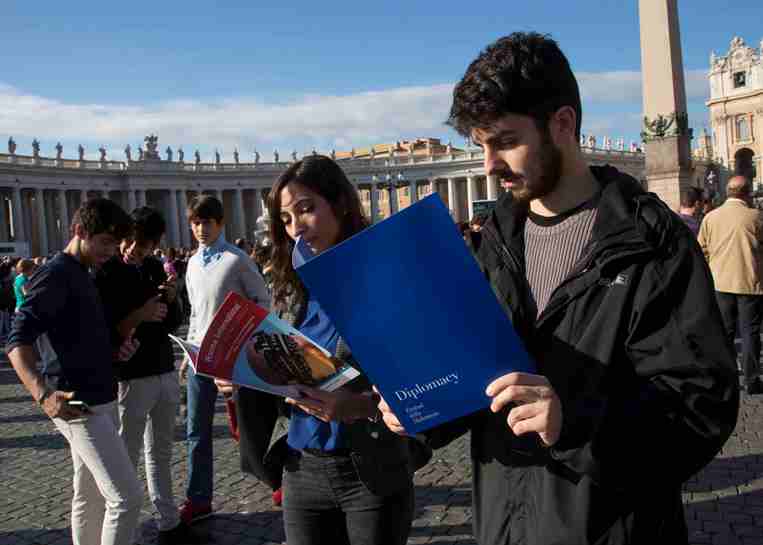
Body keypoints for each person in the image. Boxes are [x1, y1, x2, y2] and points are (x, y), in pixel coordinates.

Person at [377, 33, 739, 545]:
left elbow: (701, 407)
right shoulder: (493, 244)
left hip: (613, 526)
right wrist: (416, 410)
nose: (488, 165)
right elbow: (472, 381)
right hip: (505, 523)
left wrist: (574, 420)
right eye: (480, 146)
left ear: (563, 124)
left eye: (504, 141)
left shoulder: (651, 244)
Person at [218, 155, 429, 545]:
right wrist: (241, 372)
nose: (295, 226)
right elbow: (281, 373)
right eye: (285, 218)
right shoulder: (289, 288)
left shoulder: (388, 281)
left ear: (341, 203)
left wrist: (361, 406)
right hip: (302, 469)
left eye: (306, 208)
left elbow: (429, 385)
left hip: (371, 470)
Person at [6, 198, 143, 545]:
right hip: (78, 402)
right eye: (106, 242)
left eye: (116, 244)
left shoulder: (82, 273)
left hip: (101, 393)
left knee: (90, 495)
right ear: (80, 231)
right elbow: (16, 342)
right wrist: (42, 395)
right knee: (126, 499)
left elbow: (77, 336)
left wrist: (115, 351)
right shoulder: (54, 275)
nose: (112, 251)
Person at [95, 207, 200, 545]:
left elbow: (170, 323)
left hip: (164, 369)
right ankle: (126, 526)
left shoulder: (156, 267)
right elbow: (109, 329)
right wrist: (142, 314)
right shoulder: (107, 273)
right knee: (126, 456)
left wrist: (173, 301)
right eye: (128, 241)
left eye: (140, 244)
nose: (131, 248)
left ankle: (168, 521)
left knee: (161, 452)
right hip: (130, 377)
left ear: (154, 244)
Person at [181, 195, 270, 524]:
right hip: (199, 356)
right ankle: (198, 498)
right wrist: (186, 353)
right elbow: (194, 312)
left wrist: (242, 342)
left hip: (232, 358)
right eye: (195, 223)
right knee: (196, 431)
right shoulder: (191, 264)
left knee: (246, 426)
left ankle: (272, 476)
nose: (200, 229)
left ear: (220, 223)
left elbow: (262, 302)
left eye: (206, 222)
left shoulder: (237, 260)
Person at [698, 176, 763, 394]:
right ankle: (752, 380)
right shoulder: (756, 216)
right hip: (749, 282)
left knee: (725, 331)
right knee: (750, 331)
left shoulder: (711, 217)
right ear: (747, 193)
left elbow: (702, 249)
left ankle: (726, 375)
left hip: (721, 282)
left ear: (727, 192)